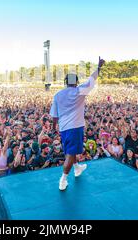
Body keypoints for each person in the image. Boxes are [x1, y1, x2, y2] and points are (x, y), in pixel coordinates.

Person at [50, 56, 105, 191]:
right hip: (75, 127)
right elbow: (91, 80)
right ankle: (63, 180)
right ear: (76, 82)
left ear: (66, 82)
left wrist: (54, 128)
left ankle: (77, 168)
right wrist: (98, 67)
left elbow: (54, 115)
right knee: (70, 154)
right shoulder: (79, 91)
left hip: (64, 128)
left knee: (70, 150)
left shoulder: (57, 95)